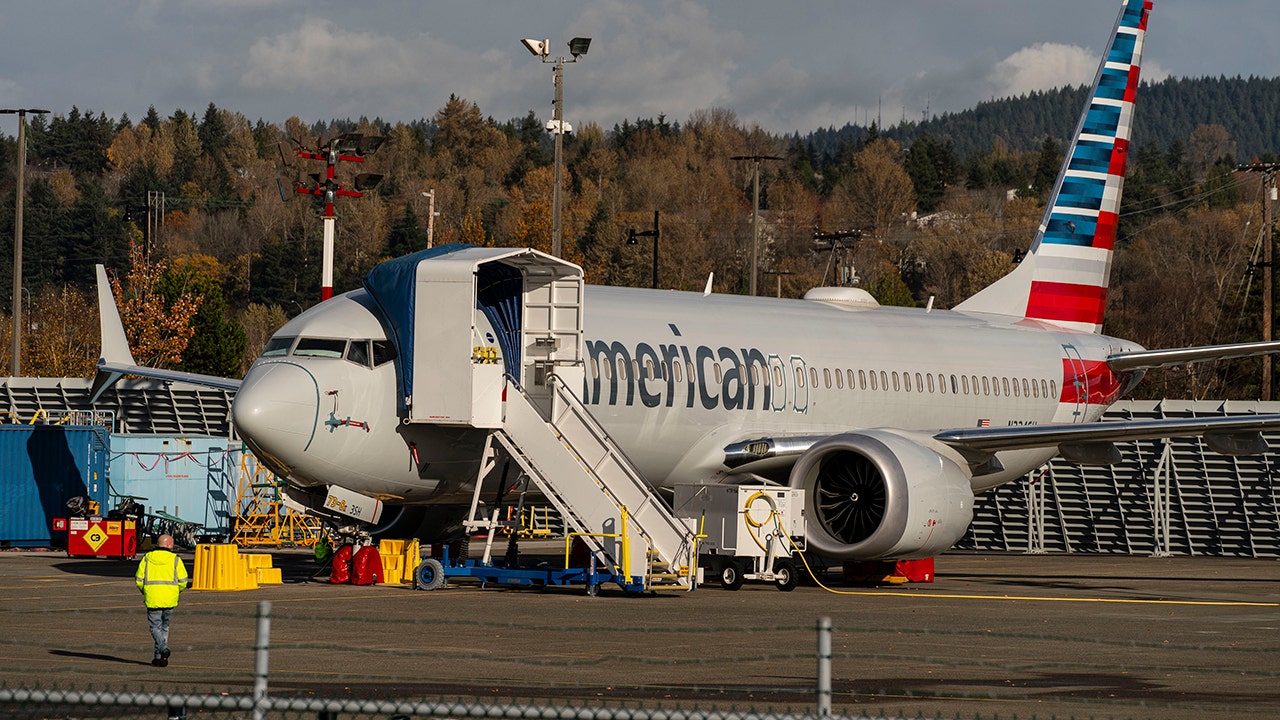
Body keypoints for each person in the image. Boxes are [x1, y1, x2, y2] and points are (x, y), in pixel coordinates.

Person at [135, 534, 189, 667]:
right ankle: (160, 658)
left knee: (155, 627)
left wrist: (146, 591)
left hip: (153, 598)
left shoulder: (146, 558)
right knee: (165, 627)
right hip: (170, 598)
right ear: (170, 545)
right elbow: (183, 581)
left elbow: (139, 580)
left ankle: (163, 648)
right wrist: (176, 591)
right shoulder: (175, 560)